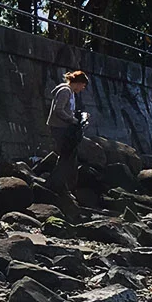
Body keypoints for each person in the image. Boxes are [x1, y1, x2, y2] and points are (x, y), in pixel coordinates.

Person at [48, 69, 89, 203]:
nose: (82, 89)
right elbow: (58, 110)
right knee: (66, 157)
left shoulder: (69, 92)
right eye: (83, 86)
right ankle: (57, 185)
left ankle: (61, 185)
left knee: (67, 156)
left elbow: (65, 110)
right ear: (78, 82)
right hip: (59, 128)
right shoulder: (65, 91)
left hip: (63, 128)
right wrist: (73, 120)